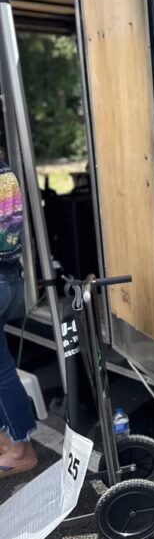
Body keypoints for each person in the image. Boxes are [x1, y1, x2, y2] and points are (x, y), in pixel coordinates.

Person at [0, 151, 36, 479]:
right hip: (8, 276)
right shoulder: (5, 173)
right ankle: (9, 439)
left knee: (1, 371)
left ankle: (20, 448)